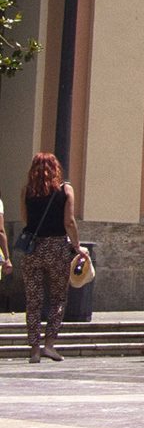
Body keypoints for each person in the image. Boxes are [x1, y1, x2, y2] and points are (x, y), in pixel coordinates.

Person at [18, 152, 79, 361]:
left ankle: (34, 349)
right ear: (56, 169)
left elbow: (25, 220)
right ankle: (50, 345)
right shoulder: (65, 190)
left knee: (33, 301)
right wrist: (77, 246)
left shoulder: (26, 191)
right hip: (57, 247)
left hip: (33, 249)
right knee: (58, 298)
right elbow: (69, 222)